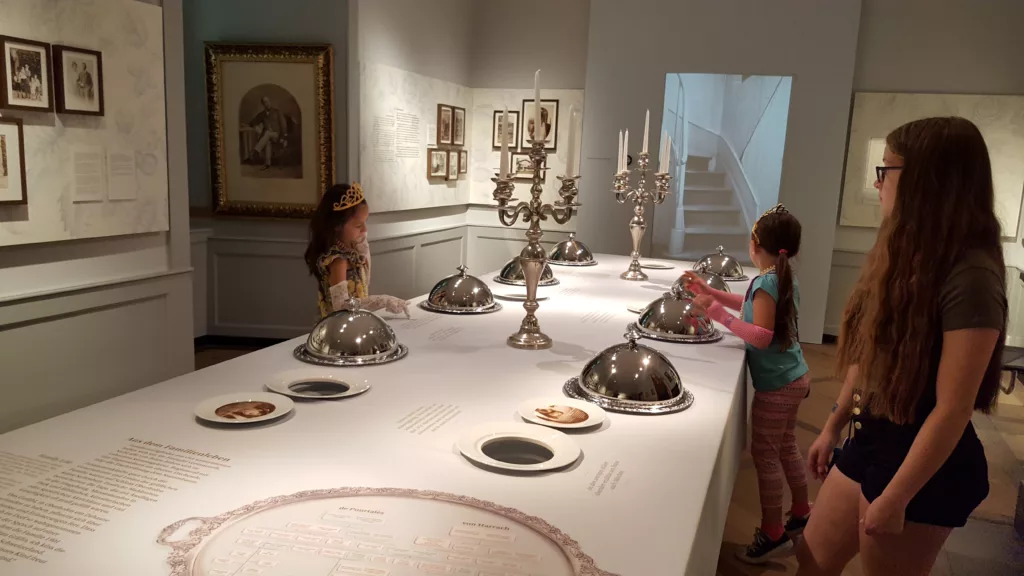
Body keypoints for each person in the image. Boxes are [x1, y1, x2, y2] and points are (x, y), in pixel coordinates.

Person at [796, 117, 1006, 576]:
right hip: (875, 434)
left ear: (927, 182)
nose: (878, 183)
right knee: (811, 558)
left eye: (886, 169)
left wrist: (897, 496)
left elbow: (952, 408)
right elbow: (870, 358)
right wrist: (833, 425)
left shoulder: (971, 277)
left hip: (924, 464)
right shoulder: (904, 252)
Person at [684, 204, 810, 564]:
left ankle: (772, 532)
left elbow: (760, 335)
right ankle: (801, 510)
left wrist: (716, 313)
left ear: (755, 245)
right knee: (786, 446)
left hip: (777, 386)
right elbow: (752, 305)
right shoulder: (778, 278)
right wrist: (714, 292)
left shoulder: (768, 280)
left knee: (766, 456)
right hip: (794, 377)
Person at [303, 182, 409, 320]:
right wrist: (383, 301)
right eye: (359, 225)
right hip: (341, 326)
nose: (365, 229)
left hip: (355, 321)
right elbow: (341, 306)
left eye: (365, 223)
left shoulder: (350, 250)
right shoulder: (339, 261)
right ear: (337, 226)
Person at [249, 96, 289, 170]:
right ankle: (267, 164)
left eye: (268, 101)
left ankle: (256, 151)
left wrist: (284, 138)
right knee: (267, 141)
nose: (267, 104)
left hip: (278, 135)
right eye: (265, 102)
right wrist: (256, 128)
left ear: (270, 102)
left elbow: (283, 125)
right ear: (263, 104)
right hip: (268, 137)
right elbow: (252, 123)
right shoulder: (262, 114)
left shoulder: (277, 112)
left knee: (267, 133)